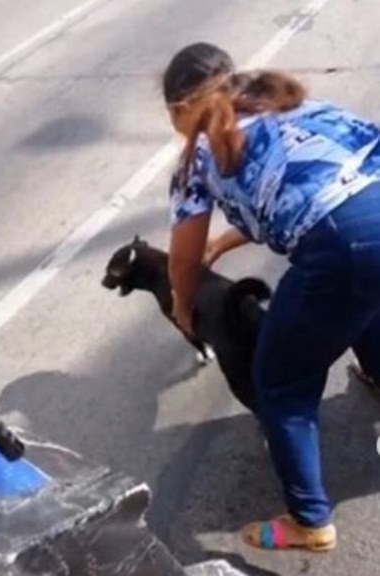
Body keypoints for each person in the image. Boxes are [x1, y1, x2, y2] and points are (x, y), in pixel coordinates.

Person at [163, 42, 380, 551]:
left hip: (347, 243)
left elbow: (181, 262)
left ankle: (309, 521)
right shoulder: (290, 103)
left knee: (280, 383)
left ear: (177, 110)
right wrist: (228, 239)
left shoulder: (196, 155)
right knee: (362, 290)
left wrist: (181, 303)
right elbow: (315, 184)